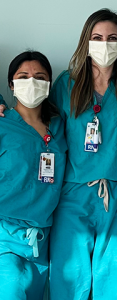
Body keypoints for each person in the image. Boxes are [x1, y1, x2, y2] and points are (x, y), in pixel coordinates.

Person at [48, 8, 117, 300]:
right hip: (73, 194)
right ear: (86, 41)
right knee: (69, 280)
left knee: (116, 281)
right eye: (97, 37)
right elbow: (38, 123)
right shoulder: (66, 84)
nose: (104, 43)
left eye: (112, 38)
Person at [0, 51, 67, 300]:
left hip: (41, 241)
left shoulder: (60, 127)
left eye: (39, 77)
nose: (32, 82)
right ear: (11, 84)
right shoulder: (3, 124)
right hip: (5, 237)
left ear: (49, 85)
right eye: (23, 76)